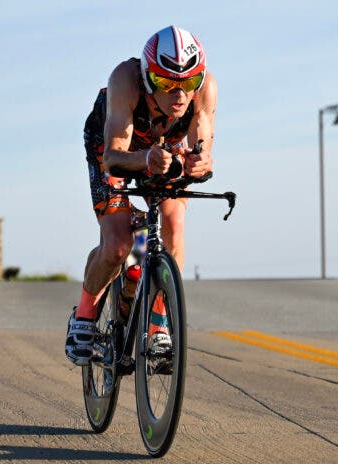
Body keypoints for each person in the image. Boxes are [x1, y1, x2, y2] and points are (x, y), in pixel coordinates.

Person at [65, 25, 217, 366]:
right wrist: (144, 159)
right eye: (166, 84)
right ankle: (84, 316)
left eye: (188, 84)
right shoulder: (125, 80)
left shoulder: (204, 88)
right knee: (118, 244)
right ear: (149, 79)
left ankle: (159, 323)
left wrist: (200, 160)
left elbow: (202, 141)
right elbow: (114, 157)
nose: (180, 95)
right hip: (112, 146)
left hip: (164, 150)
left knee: (174, 221)